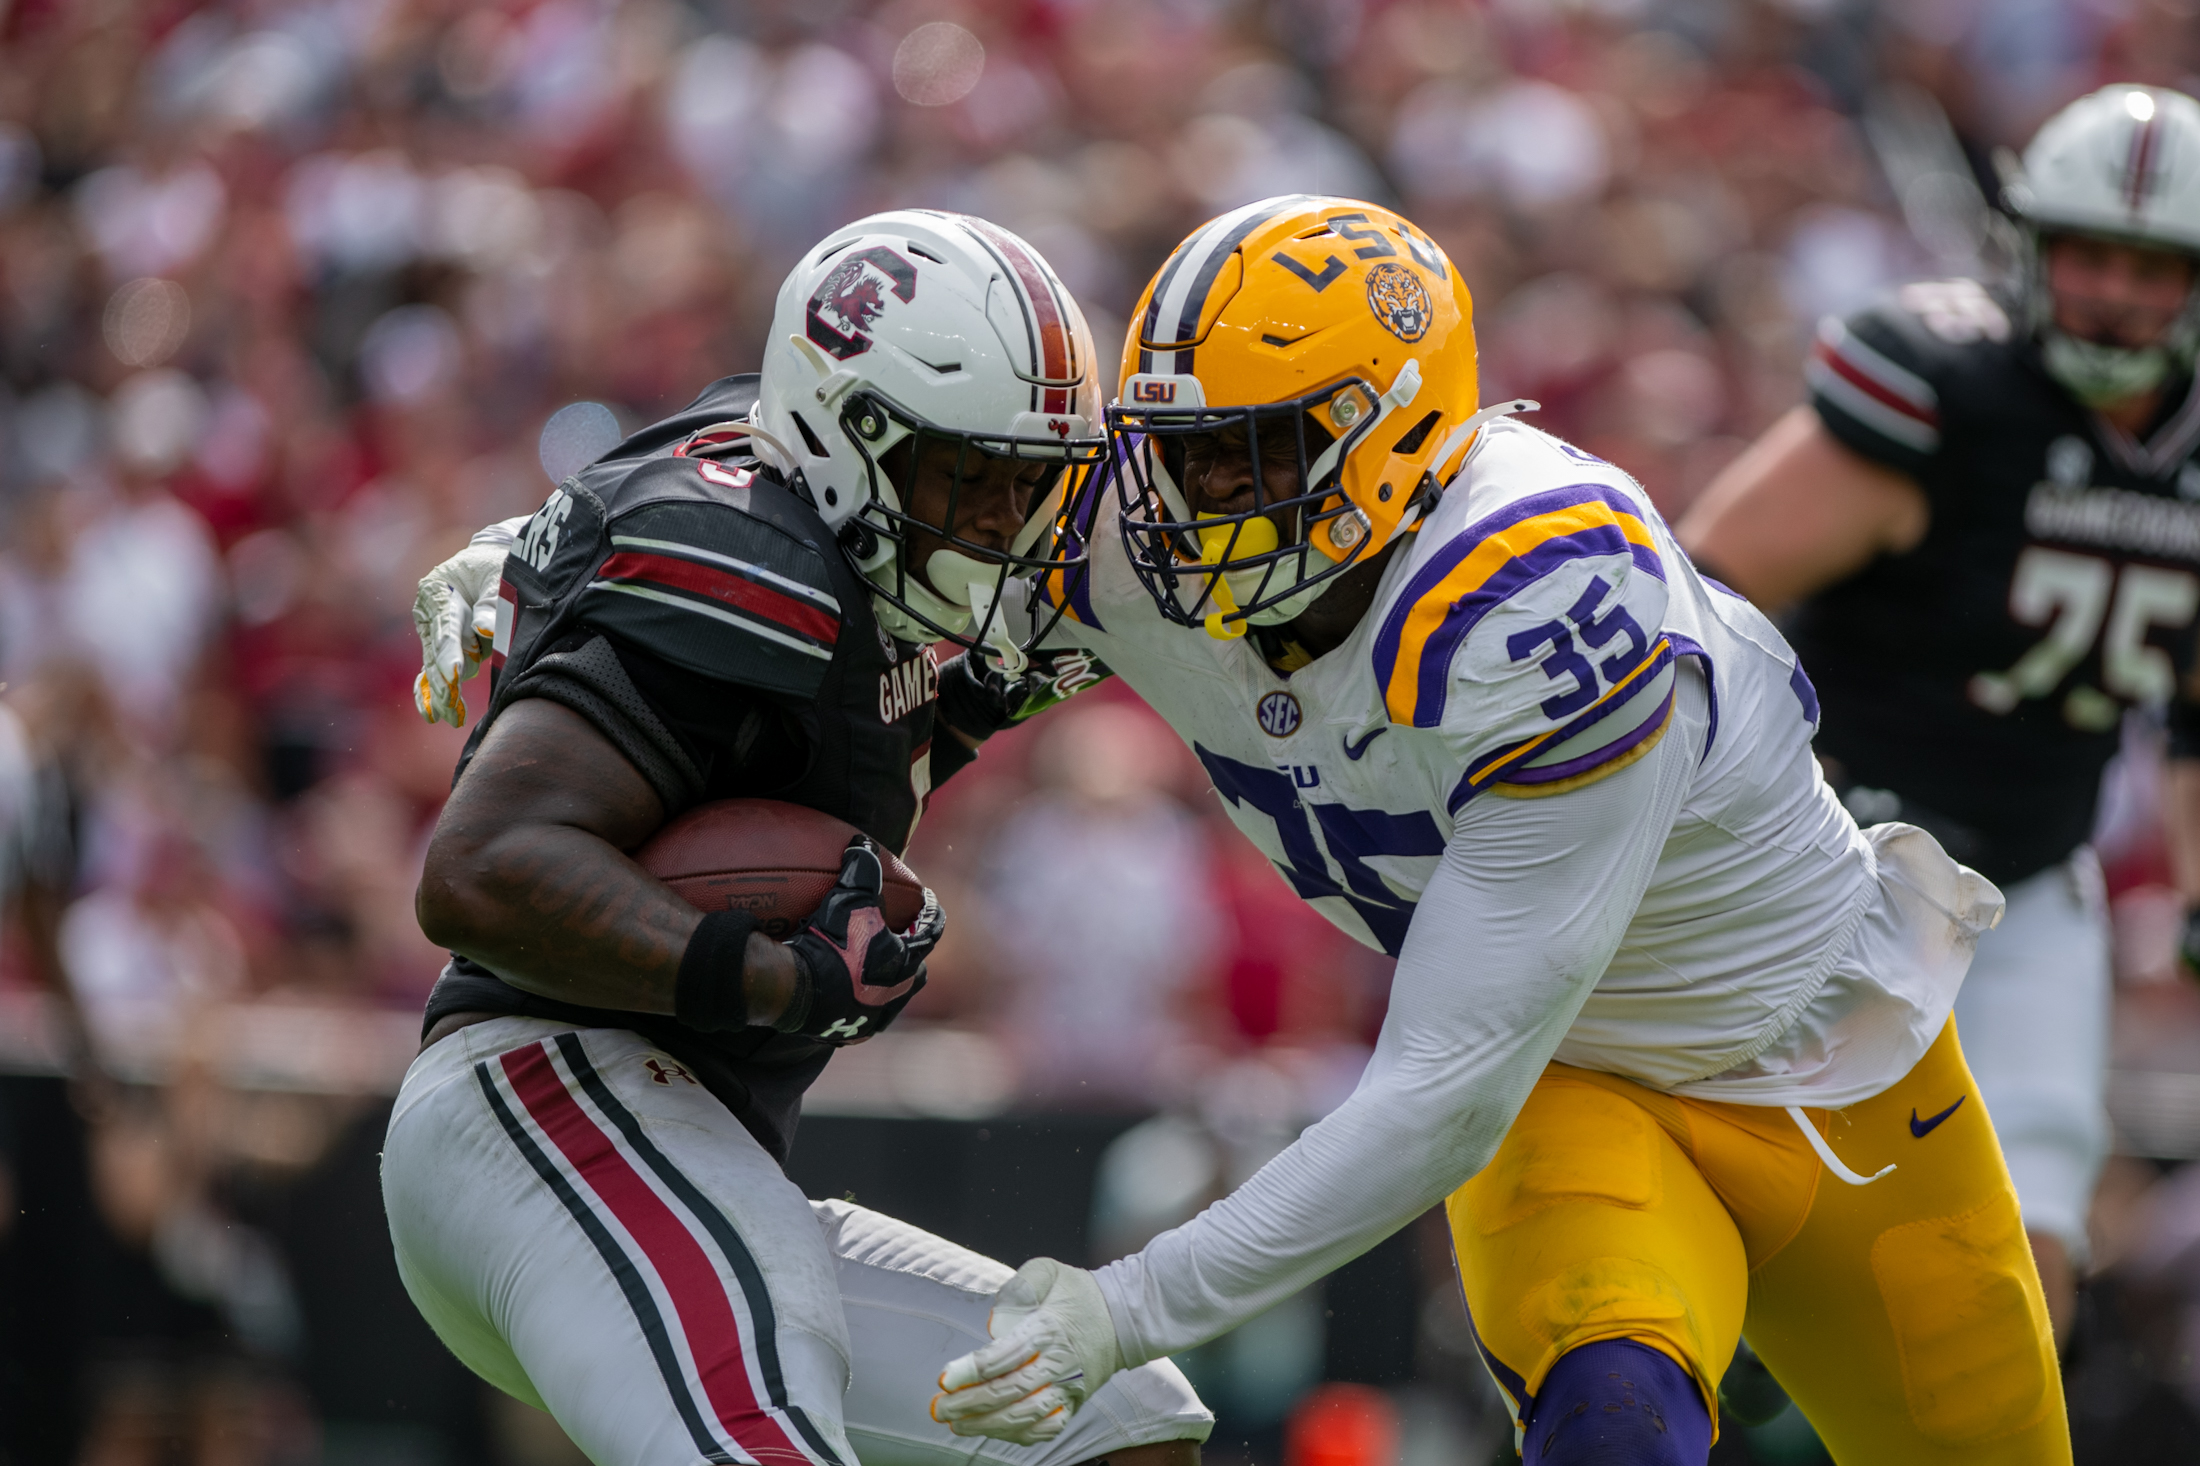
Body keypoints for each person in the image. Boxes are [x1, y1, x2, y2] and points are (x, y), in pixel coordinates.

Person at [914, 196, 2067, 1464]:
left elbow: (1431, 1093)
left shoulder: (1531, 589)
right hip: (1565, 1080)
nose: (1193, 497)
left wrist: (1124, 1309)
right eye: (1178, 447)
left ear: (1399, 435)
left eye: (1256, 453)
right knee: (1611, 1425)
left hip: (1837, 1070)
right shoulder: (1129, 540)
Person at [385, 211, 1211, 1466]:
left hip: (685, 1140)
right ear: (851, 438)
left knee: (1112, 1423)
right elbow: (481, 869)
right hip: (547, 1099)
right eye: (965, 476)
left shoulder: (860, 560)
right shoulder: (753, 559)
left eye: (1022, 479)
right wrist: (775, 974)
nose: (1000, 518)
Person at [1677, 84, 2200, 1349]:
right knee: (1754, 1227)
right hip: (1833, 860)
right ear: (2026, 245)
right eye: (2084, 250)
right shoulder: (1949, 384)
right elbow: (1703, 588)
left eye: (2152, 263)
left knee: (2025, 1256)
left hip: (2028, 889)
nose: (2114, 292)